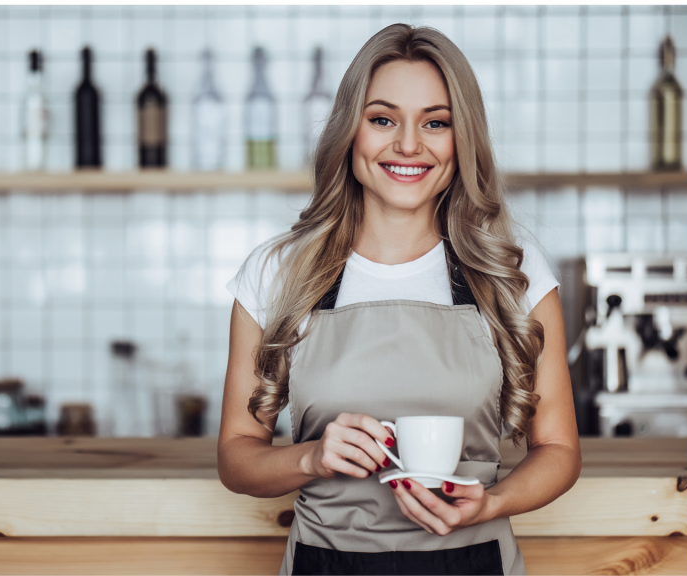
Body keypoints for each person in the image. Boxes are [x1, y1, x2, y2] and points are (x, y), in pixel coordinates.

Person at [218, 24, 580, 576]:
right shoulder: (278, 273)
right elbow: (237, 456)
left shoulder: (512, 270)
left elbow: (558, 451)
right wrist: (311, 457)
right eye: (383, 119)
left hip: (476, 561)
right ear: (350, 133)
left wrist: (495, 502)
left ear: (463, 139)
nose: (409, 145)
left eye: (436, 123)